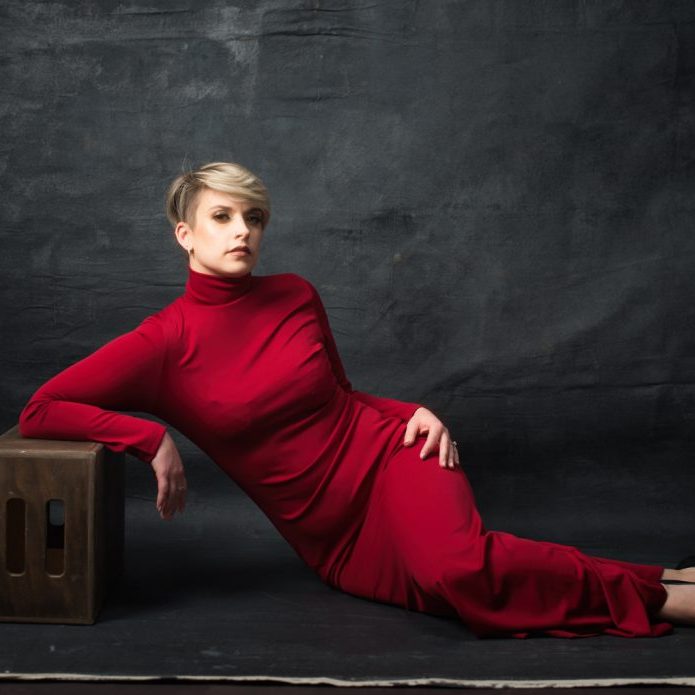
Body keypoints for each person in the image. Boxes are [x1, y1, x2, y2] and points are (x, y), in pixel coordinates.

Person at [18, 161, 695, 639]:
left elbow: (339, 398)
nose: (241, 231)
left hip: (392, 453)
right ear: (183, 234)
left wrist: (411, 411)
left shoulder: (295, 294)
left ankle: (668, 598)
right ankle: (661, 574)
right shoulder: (162, 342)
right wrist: (150, 439)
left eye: (252, 217)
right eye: (220, 216)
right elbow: (42, 409)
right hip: (334, 539)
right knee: (456, 587)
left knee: (459, 566)